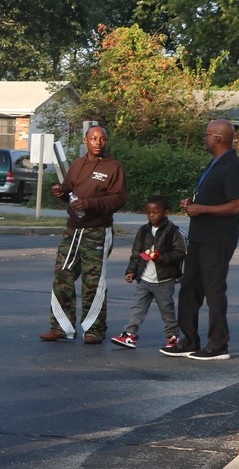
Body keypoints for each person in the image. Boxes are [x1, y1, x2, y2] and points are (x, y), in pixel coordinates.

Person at [160, 119, 239, 360]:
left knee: (214, 291)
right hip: (200, 237)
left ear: (218, 138)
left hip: (217, 240)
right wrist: (193, 204)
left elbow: (237, 205)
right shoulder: (216, 163)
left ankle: (218, 345)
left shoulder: (232, 166)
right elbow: (214, 198)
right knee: (189, 290)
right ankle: (189, 341)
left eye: (207, 135)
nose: (204, 138)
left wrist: (203, 209)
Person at [40, 125, 127, 344]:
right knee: (62, 275)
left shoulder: (113, 167)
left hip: (97, 231)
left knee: (93, 282)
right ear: (85, 140)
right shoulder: (77, 165)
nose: (98, 142)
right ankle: (61, 326)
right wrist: (61, 192)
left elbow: (119, 199)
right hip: (73, 230)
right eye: (94, 138)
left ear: (106, 142)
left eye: (102, 139)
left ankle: (94, 330)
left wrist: (90, 203)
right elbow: (70, 191)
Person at [110, 196, 186, 349]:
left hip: (164, 280)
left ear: (165, 213)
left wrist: (161, 257)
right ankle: (130, 335)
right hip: (144, 278)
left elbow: (180, 253)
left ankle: (173, 336)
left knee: (166, 309)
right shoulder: (143, 230)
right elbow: (136, 253)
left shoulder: (173, 232)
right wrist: (131, 271)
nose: (151, 215)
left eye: (155, 212)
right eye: (149, 212)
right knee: (138, 307)